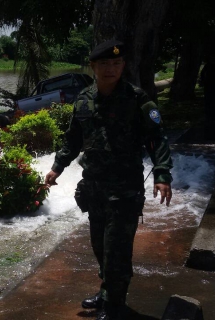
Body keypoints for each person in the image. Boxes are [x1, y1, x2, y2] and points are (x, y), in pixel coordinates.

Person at [44, 40, 173, 320]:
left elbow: (157, 138)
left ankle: (116, 307)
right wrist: (57, 167)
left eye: (116, 63)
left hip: (125, 189)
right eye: (104, 64)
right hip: (94, 188)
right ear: (93, 67)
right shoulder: (83, 99)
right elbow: (73, 139)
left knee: (117, 250)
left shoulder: (138, 99)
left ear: (123, 65)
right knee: (100, 247)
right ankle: (106, 293)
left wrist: (162, 174)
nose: (111, 68)